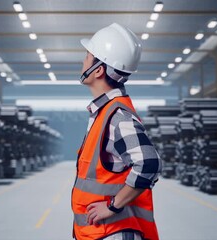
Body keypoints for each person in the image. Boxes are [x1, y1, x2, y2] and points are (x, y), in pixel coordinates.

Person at [71, 23, 162, 240]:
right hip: (99, 232)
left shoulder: (117, 117)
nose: (83, 62)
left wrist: (112, 207)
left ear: (99, 69)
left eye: (87, 56)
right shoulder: (104, 113)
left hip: (112, 232)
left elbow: (149, 163)